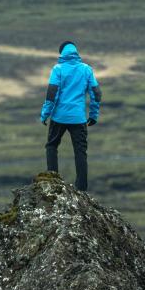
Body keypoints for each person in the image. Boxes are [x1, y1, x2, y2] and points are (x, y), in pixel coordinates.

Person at [40, 40, 101, 191]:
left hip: (58, 117)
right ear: (76, 52)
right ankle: (82, 187)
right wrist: (93, 114)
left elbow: (51, 93)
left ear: (62, 53)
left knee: (52, 146)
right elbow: (96, 93)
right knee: (80, 151)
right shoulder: (86, 69)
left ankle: (53, 182)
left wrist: (45, 114)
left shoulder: (58, 69)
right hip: (78, 118)